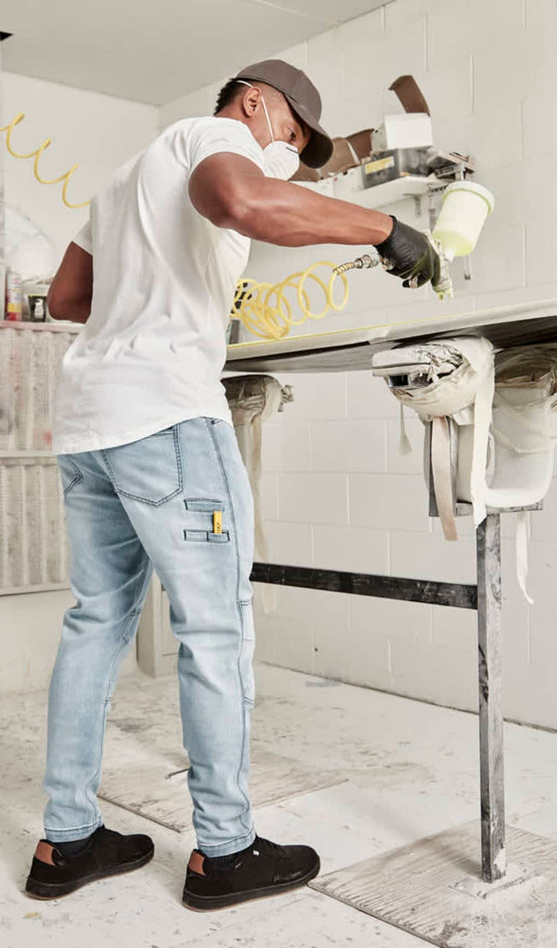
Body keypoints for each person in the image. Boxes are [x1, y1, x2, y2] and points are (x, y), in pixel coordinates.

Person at [25, 59, 439, 911]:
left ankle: (65, 841)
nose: (285, 155)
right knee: (216, 631)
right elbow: (243, 201)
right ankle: (225, 850)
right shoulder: (213, 137)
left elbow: (70, 297)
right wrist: (381, 229)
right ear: (253, 102)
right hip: (169, 418)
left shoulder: (124, 177)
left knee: (95, 623)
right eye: (285, 134)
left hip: (91, 419)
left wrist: (168, 289)